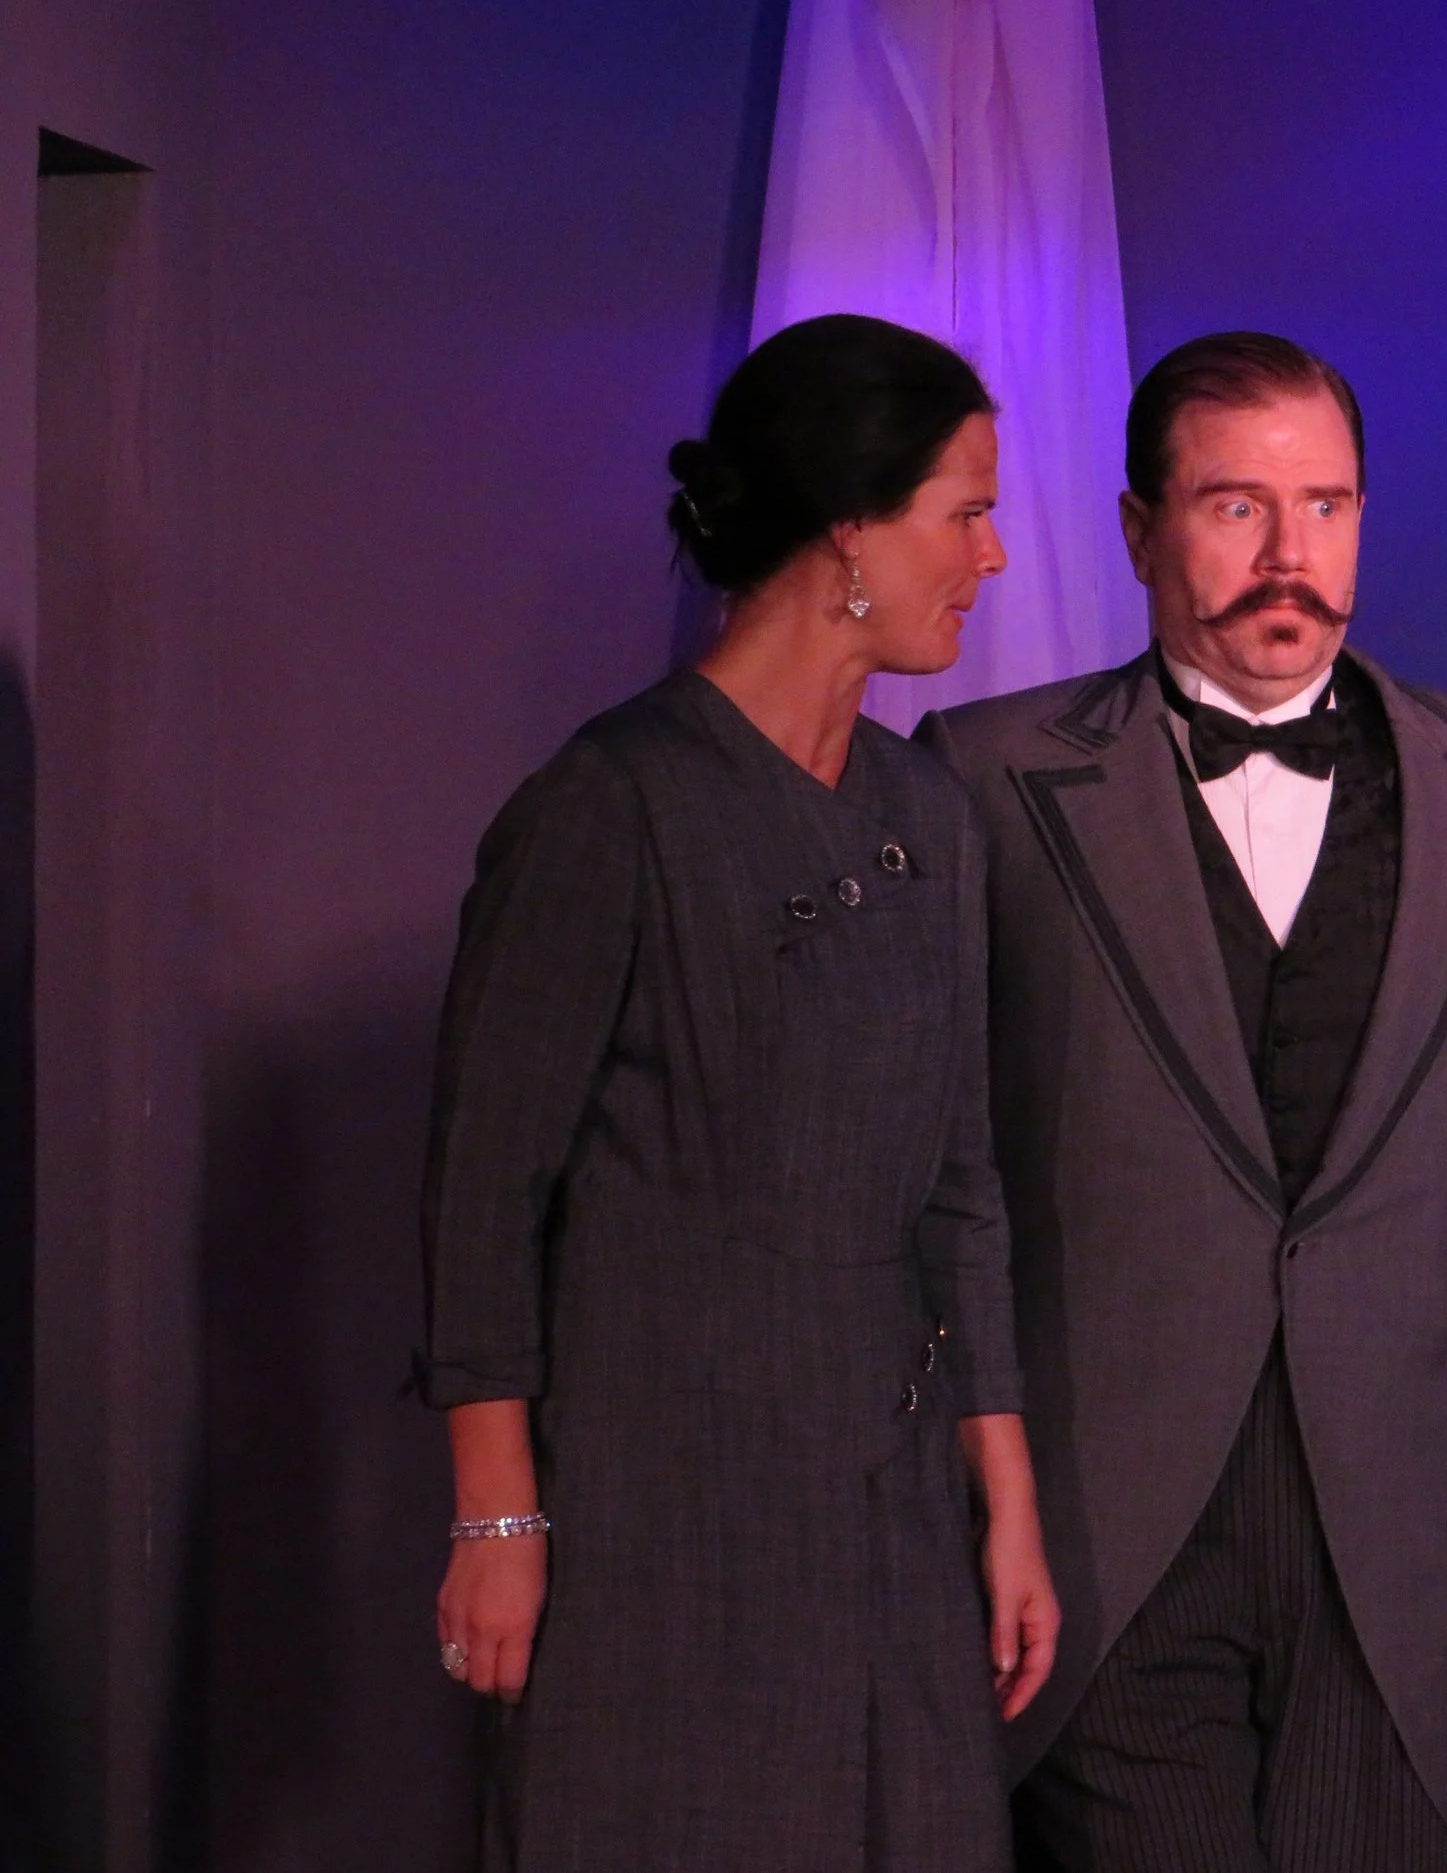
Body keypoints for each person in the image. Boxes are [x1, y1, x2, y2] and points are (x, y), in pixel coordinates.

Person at [919, 332, 1447, 1872]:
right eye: (1237, 506)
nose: (1292, 555)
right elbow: (949, 1173)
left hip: (1398, 1527)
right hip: (1105, 1524)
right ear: (1139, 528)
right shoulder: (988, 776)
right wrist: (972, 1489)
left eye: (1327, 506)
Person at [419, 313, 1057, 1871]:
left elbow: (962, 1187)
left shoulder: (932, 814)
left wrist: (1008, 1498)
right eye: (966, 511)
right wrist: (497, 1518)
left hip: (889, 1509)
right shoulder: (610, 805)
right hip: (658, 1507)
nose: (990, 555)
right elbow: (484, 1193)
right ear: (850, 528)